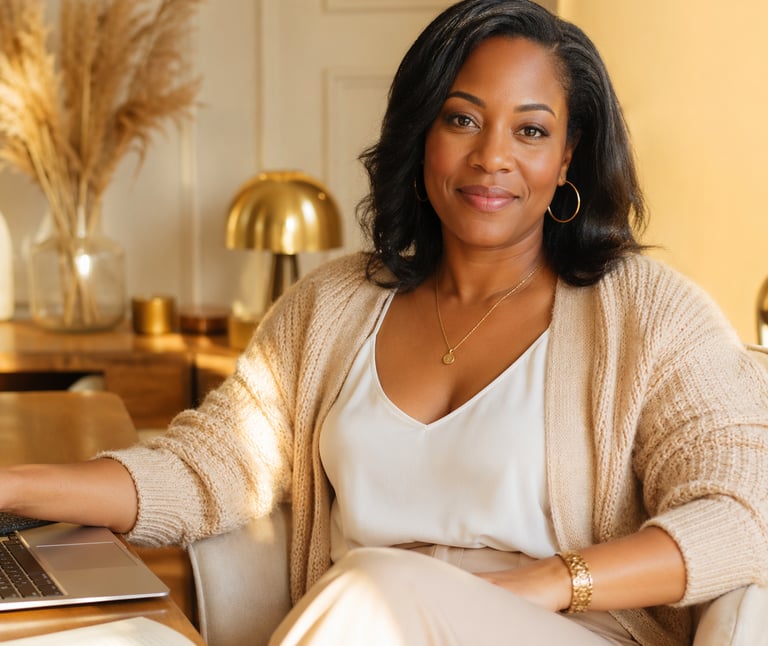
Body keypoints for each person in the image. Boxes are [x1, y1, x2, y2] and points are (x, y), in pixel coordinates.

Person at [3, 0, 768, 644]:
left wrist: (542, 586)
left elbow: (744, 515)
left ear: (568, 155)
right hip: (355, 624)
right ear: (421, 135)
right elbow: (208, 470)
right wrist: (14, 485)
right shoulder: (333, 305)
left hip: (549, 628)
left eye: (530, 131)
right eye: (462, 119)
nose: (492, 157)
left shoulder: (648, 313)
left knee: (375, 581)